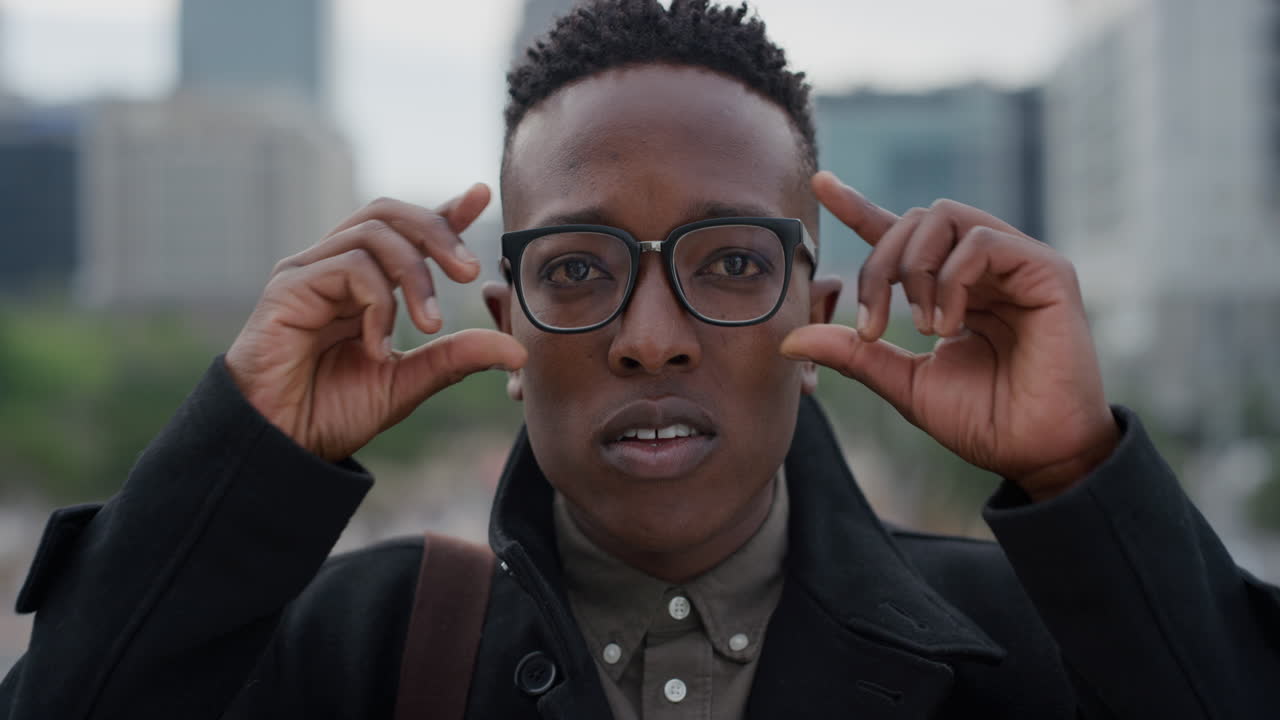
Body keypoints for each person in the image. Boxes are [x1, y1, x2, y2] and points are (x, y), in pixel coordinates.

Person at [2, 1, 1278, 717]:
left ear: (818, 320)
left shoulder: (1030, 651)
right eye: (574, 270)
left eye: (728, 264)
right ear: (505, 330)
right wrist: (244, 448)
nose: (650, 334)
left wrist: (1074, 471)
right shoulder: (348, 652)